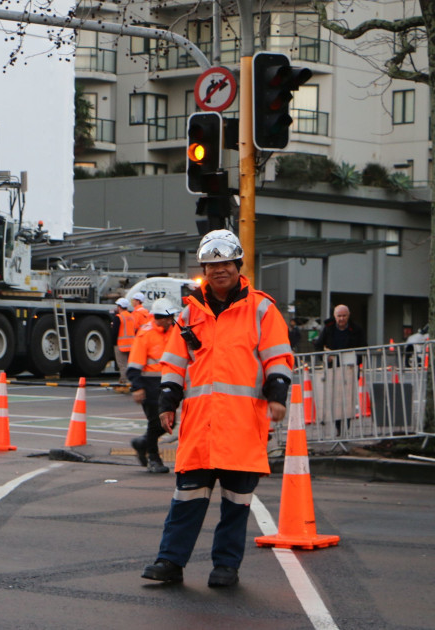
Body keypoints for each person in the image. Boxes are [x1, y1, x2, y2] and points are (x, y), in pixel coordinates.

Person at [141, 229, 293, 587]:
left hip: (241, 425)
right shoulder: (190, 313)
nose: (218, 270)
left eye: (225, 263)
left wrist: (277, 395)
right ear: (203, 271)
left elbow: (278, 358)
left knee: (236, 503)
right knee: (187, 497)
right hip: (201, 425)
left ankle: (226, 567)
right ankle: (170, 562)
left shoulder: (261, 309)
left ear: (238, 265)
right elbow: (175, 364)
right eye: (211, 265)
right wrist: (167, 401)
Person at [126, 298, 179, 474]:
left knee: (170, 421)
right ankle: (153, 459)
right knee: (155, 422)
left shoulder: (174, 331)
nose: (171, 320)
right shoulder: (145, 334)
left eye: (172, 317)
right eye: (168, 317)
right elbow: (134, 365)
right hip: (149, 385)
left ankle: (142, 443)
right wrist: (137, 387)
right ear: (158, 317)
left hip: (168, 383)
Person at [113, 298, 136, 391]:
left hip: (121, 345)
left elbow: (115, 332)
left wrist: (113, 343)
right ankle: (125, 382)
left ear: (119, 307)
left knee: (122, 365)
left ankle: (125, 384)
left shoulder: (119, 317)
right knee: (129, 365)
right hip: (131, 344)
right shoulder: (131, 316)